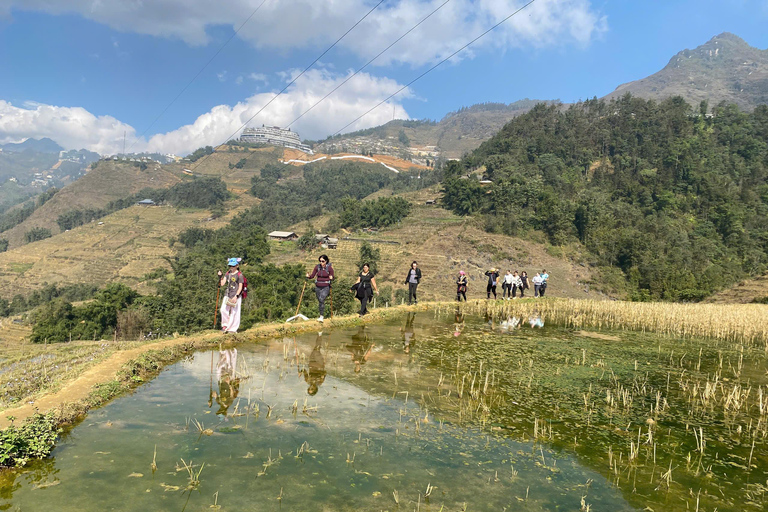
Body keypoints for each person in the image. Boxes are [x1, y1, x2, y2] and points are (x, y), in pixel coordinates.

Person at [218, 258, 243, 333]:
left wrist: (236, 296)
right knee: (223, 309)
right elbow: (222, 283)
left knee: (234, 313)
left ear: (237, 265)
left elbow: (240, 287)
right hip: (228, 294)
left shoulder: (240, 275)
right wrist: (220, 277)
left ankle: (232, 329)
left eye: (233, 266)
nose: (231, 267)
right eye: (230, 266)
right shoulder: (227, 273)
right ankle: (225, 325)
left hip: (236, 295)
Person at [306, 254, 334, 322]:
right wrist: (308, 276)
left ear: (326, 261)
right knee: (320, 301)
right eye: (320, 261)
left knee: (321, 299)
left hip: (326, 287)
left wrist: (331, 278)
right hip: (318, 287)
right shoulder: (317, 267)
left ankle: (321, 316)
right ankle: (321, 315)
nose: (321, 263)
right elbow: (312, 276)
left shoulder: (329, 268)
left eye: (323, 261)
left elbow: (333, 277)